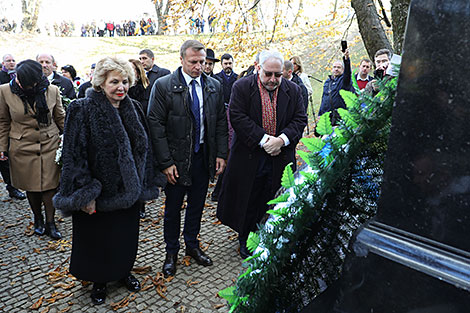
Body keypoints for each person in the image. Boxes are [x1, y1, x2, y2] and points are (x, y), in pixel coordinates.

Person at [53, 57, 161, 305]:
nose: (121, 87)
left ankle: (123, 271)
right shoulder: (81, 108)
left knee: (125, 237)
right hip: (99, 193)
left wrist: (145, 181)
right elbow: (73, 154)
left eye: (124, 81)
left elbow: (144, 148)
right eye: (115, 82)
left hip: (130, 191)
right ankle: (99, 280)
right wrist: (85, 192)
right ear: (101, 83)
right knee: (98, 240)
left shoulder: (133, 106)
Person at [147, 39, 228, 278]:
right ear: (181, 59)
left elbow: (221, 122)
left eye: (202, 62)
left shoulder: (213, 86)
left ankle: (191, 245)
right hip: (175, 160)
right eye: (193, 62)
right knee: (173, 208)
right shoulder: (163, 86)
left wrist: (221, 153)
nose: (198, 66)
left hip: (203, 157)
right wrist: (166, 163)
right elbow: (155, 124)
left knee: (197, 205)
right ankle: (171, 251)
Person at [217, 50, 307, 259]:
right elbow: (237, 117)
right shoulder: (241, 87)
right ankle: (246, 239)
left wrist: (281, 140)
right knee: (248, 198)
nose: (273, 80)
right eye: (268, 74)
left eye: (278, 75)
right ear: (258, 68)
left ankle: (271, 237)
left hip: (281, 157)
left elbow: (299, 120)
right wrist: (265, 140)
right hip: (249, 156)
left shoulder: (293, 90)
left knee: (275, 198)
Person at [0, 60, 65, 238]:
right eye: (23, 82)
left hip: (49, 143)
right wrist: (2, 147)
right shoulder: (5, 91)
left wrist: (70, 138)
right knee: (32, 186)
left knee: (50, 186)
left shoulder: (52, 90)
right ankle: (38, 218)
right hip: (22, 146)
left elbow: (60, 117)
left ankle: (50, 222)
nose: (27, 86)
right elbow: (4, 121)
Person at [0, 54, 26, 200]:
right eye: (8, 60)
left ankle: (12, 187)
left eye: (13, 60)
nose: (11, 62)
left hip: (10, 124)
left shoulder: (19, 77)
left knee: (5, 160)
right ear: (3, 62)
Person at [318, 49, 352, 126]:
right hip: (327, 116)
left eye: (339, 67)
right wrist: (320, 114)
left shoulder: (344, 80)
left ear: (343, 70)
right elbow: (324, 97)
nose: (336, 69)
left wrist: (346, 59)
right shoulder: (327, 82)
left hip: (340, 116)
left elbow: (348, 73)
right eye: (334, 67)